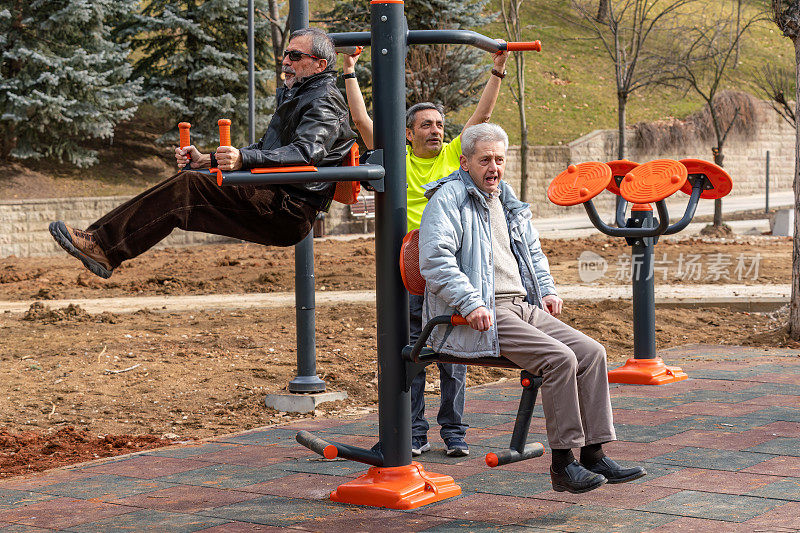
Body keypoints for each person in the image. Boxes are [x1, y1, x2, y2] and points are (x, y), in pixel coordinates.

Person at [418, 123, 646, 494]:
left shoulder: (505, 199)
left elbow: (532, 252)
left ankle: (593, 453)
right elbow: (435, 259)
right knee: (559, 359)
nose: (494, 167)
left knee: (592, 353)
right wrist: (471, 302)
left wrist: (548, 290)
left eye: (499, 159)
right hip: (479, 313)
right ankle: (562, 465)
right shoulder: (449, 198)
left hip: (520, 304)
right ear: (464, 162)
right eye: (485, 160)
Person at [50, 28, 356, 279]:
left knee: (188, 189)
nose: (286, 60)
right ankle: (100, 242)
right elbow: (268, 149)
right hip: (274, 193)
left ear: (319, 65)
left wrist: (243, 159)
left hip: (289, 209)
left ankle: (103, 246)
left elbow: (307, 153)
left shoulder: (323, 100)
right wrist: (208, 159)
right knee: (191, 176)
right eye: (286, 53)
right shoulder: (299, 94)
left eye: (295, 55)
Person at [342, 47, 509, 458]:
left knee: (454, 350)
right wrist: (349, 70)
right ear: (408, 132)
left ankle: (454, 431)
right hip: (410, 266)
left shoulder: (455, 157)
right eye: (426, 125)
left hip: (452, 262)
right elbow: (362, 121)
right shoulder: (398, 157)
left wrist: (497, 70)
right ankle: (415, 431)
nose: (436, 130)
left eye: (439, 124)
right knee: (414, 350)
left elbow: (481, 119)